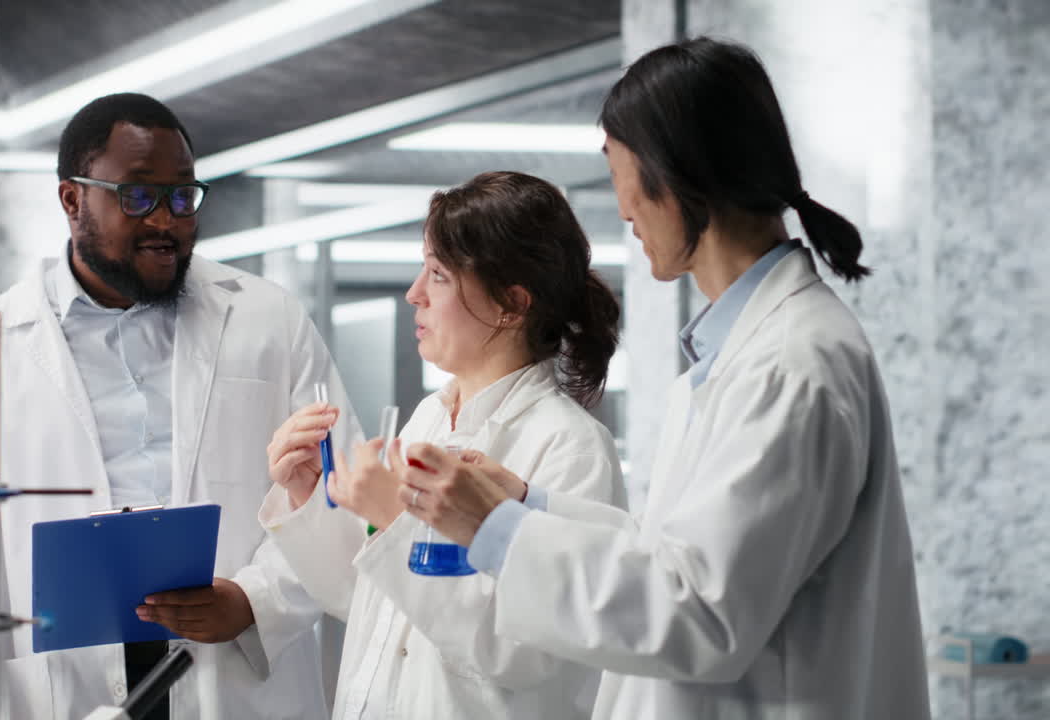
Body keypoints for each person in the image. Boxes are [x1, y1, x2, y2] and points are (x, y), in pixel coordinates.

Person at [395, 38, 931, 719]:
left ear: (676, 175)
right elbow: (673, 558)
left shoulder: (792, 365)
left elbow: (700, 613)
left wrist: (496, 530)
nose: (621, 209)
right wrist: (526, 506)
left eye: (619, 171)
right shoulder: (742, 353)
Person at [0, 92, 360, 720]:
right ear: (73, 199)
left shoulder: (269, 321)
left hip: (235, 673)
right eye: (139, 197)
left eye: (182, 196)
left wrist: (254, 600)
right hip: (61, 684)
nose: (166, 222)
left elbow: (344, 495)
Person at [259, 171, 628, 719]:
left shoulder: (568, 446)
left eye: (437, 274)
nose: (414, 293)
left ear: (511, 303)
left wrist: (396, 522)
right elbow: (363, 598)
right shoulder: (430, 419)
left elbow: (523, 652)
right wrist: (308, 495)